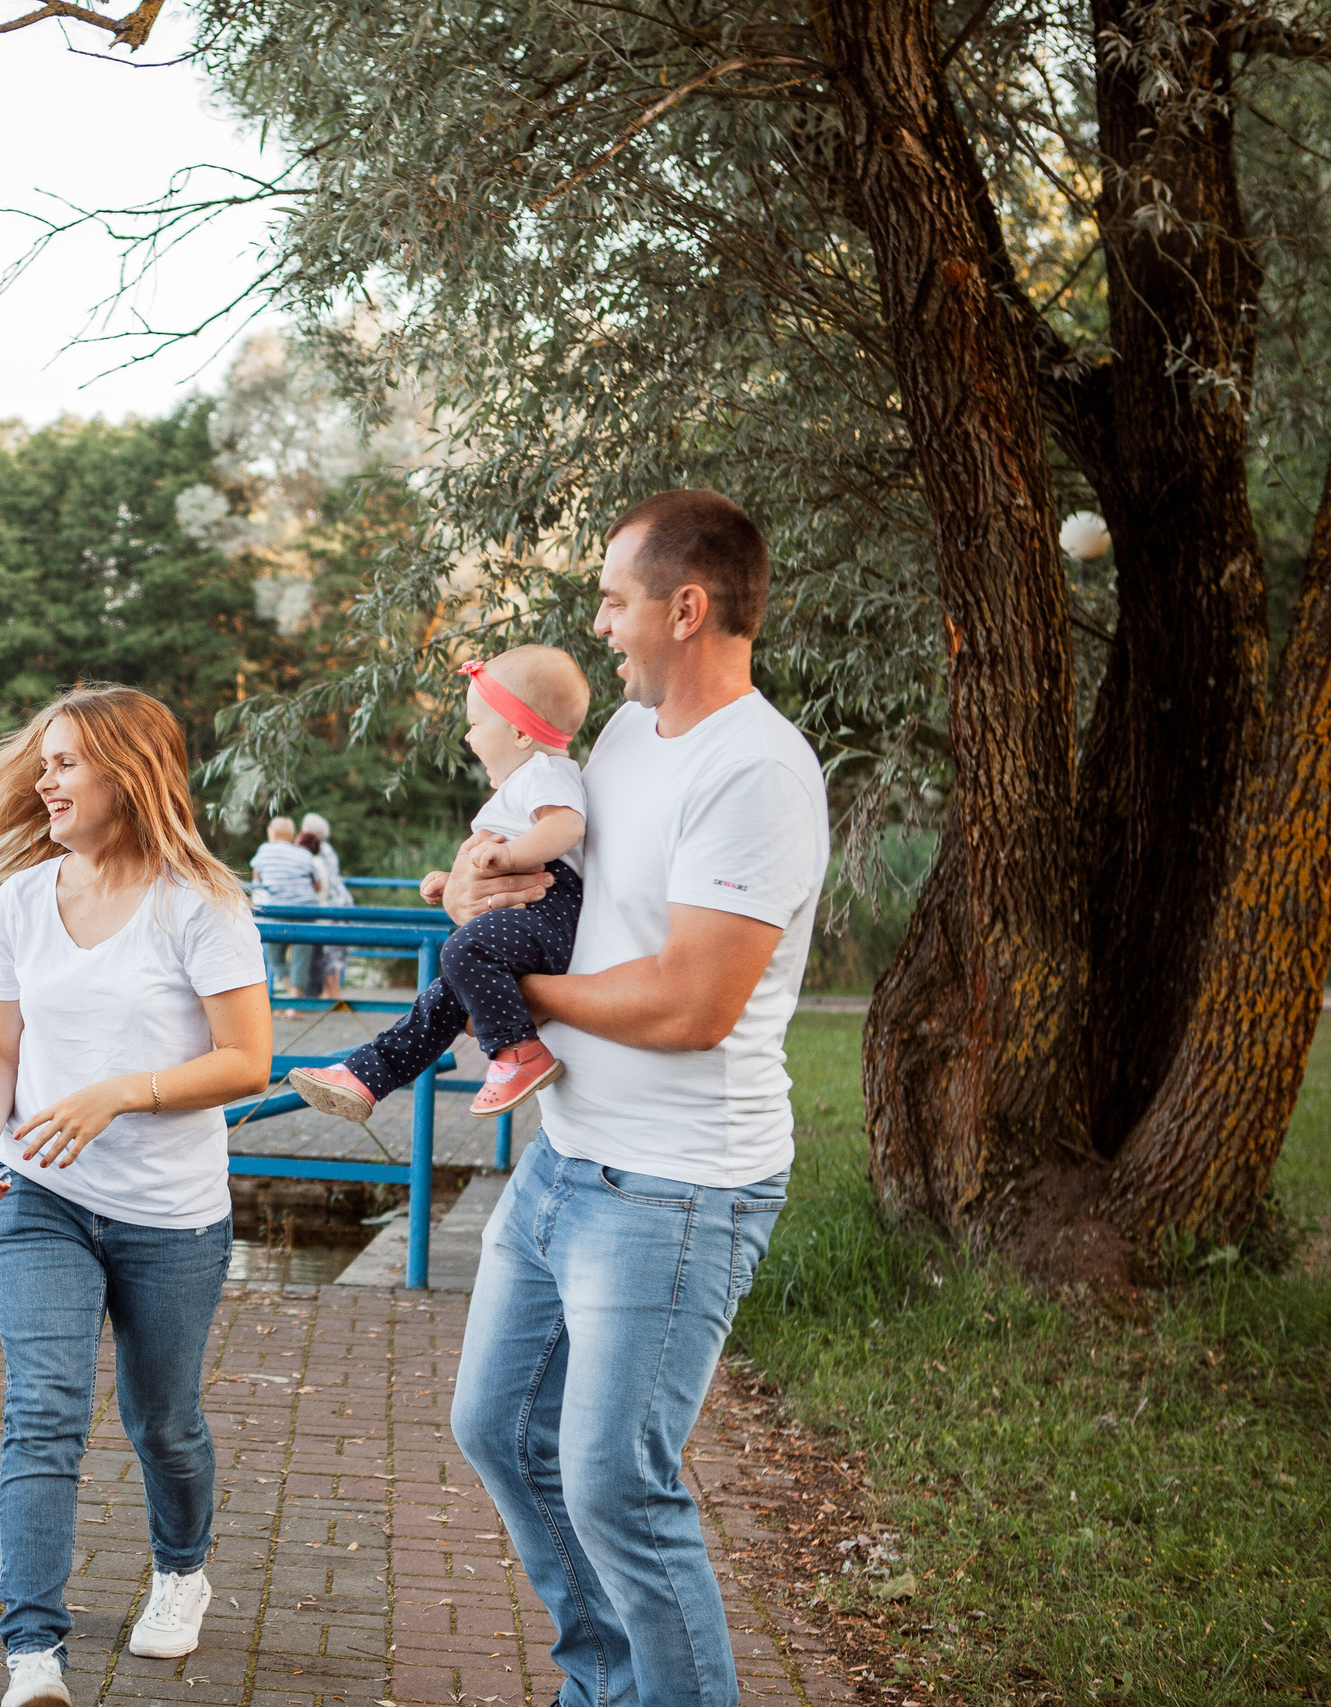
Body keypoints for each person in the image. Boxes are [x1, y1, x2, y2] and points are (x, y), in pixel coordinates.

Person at [441, 492, 828, 1707]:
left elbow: (688, 1004)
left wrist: (529, 999)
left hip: (676, 1191)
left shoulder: (758, 770)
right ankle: (607, 1687)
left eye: (614, 599)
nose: (601, 626)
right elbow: (565, 895)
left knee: (617, 1483)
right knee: (496, 1429)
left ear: (687, 606)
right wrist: (480, 889)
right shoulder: (617, 739)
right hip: (566, 1161)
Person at [0, 685, 273, 1707]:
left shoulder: (199, 902)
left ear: (128, 772)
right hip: (42, 1197)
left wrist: (124, 1093)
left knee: (161, 1420)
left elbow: (248, 1060)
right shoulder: (21, 901)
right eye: (44, 760)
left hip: (171, 1214)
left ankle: (180, 1570)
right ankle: (33, 1655)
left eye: (67, 761)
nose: (44, 779)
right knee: (44, 1410)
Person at [286, 644, 593, 1120]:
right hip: (530, 916)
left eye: (475, 724)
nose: (468, 738)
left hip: (549, 914)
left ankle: (519, 1054)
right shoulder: (526, 781)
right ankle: (366, 1075)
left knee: (461, 951)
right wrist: (456, 880)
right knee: (443, 996)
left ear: (517, 731)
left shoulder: (544, 772)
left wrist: (506, 854)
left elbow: (566, 828)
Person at [247, 814, 321, 999]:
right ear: (292, 834)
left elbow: (256, 877)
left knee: (274, 956)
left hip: (278, 908)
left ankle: (293, 998)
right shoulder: (304, 854)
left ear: (271, 832)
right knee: (301, 956)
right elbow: (317, 884)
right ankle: (296, 999)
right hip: (306, 907)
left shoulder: (264, 850)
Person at [299, 813, 352, 1000]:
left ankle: (332, 995)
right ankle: (330, 994)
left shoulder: (319, 852)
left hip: (332, 906)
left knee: (330, 953)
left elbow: (323, 883)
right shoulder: (327, 850)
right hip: (339, 904)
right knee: (333, 953)